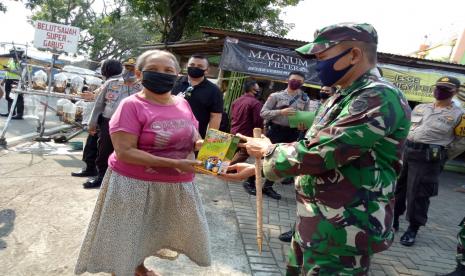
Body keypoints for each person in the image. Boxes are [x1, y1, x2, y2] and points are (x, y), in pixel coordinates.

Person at [221, 23, 411, 275]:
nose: (316, 65)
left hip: (345, 231)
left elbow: (324, 152)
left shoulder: (377, 96)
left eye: (322, 57)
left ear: (354, 54)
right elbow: (310, 146)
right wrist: (257, 169)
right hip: (317, 219)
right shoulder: (342, 95)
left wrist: (268, 152)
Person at [75, 50, 210, 276]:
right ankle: (121, 271)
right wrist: (173, 163)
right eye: (154, 70)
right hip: (133, 185)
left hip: (173, 185)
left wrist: (210, 146)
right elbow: (126, 152)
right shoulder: (131, 105)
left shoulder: (182, 104)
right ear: (139, 74)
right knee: (127, 235)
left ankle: (139, 268)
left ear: (178, 75)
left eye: (169, 70)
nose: (162, 74)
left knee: (150, 232)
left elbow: (194, 137)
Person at [394, 76, 464, 246]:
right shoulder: (420, 107)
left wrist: (443, 156)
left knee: (419, 193)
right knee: (398, 188)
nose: (439, 91)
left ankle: (413, 228)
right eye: (438, 87)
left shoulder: (459, 115)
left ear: (454, 91)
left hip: (429, 158)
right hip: (407, 151)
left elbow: (461, 141)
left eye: (445, 88)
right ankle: (393, 219)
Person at [82, 59, 142, 189]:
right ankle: (101, 177)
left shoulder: (142, 88)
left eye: (132, 68)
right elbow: (99, 105)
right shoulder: (111, 83)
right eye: (127, 67)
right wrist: (92, 123)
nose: (129, 71)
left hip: (131, 125)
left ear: (138, 71)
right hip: (108, 121)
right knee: (104, 151)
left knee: (126, 153)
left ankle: (122, 181)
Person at [257, 71, 311, 200]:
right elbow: (263, 113)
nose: (295, 82)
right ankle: (250, 180)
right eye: (293, 80)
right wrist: (281, 111)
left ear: (302, 83)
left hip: (293, 132)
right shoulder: (275, 96)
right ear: (287, 80)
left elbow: (305, 116)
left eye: (299, 81)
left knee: (280, 161)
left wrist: (303, 124)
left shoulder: (305, 99)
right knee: (265, 156)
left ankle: (268, 186)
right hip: (276, 130)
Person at [171, 54, 223, 138]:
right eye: (192, 65)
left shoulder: (214, 90)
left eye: (200, 66)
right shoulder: (173, 83)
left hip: (194, 138)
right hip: (167, 133)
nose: (195, 67)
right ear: (186, 66)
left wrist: (210, 141)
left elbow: (215, 116)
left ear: (206, 70)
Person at [229, 79, 264, 190]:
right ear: (253, 90)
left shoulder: (237, 100)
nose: (259, 91)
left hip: (234, 130)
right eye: (257, 90)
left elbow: (232, 115)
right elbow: (258, 121)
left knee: (231, 151)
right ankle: (228, 169)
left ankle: (225, 168)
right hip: (246, 133)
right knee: (243, 153)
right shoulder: (256, 103)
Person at [1, 49, 24, 119]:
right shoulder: (11, 61)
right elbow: (7, 71)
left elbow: (21, 73)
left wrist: (9, 70)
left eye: (14, 56)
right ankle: (11, 113)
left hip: (17, 81)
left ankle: (19, 114)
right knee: (9, 97)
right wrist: (3, 80)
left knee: (18, 98)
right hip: (8, 80)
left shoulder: (22, 63)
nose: (13, 57)